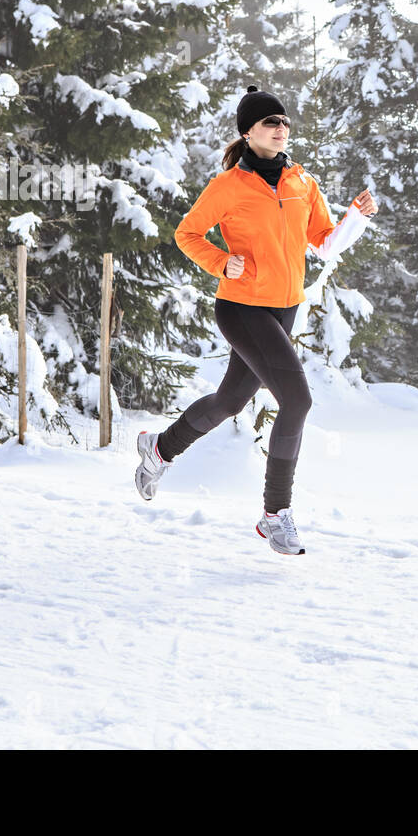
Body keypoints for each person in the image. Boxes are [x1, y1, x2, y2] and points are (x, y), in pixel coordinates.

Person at [133, 86, 378, 555]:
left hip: (283, 307)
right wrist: (223, 263)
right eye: (269, 121)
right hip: (242, 307)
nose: (280, 127)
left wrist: (355, 219)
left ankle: (159, 449)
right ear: (248, 132)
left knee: (229, 400)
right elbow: (187, 234)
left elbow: (324, 243)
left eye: (283, 120)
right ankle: (275, 514)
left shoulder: (302, 181)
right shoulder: (228, 185)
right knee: (298, 401)